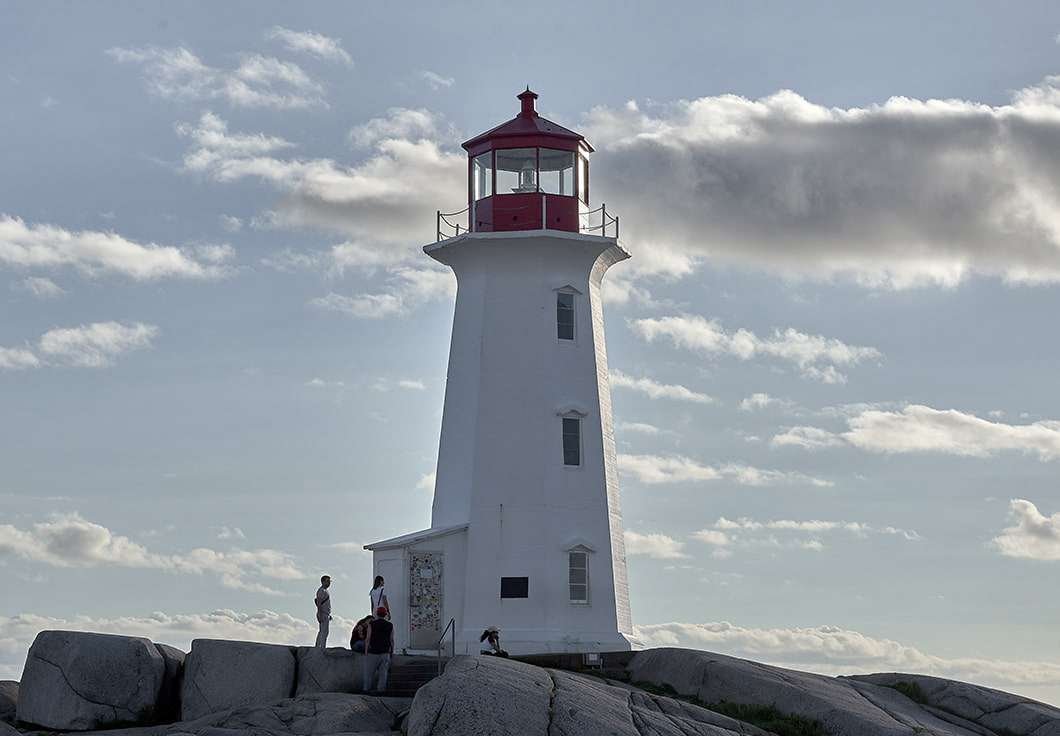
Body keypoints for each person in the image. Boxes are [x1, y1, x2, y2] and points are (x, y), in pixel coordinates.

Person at [363, 606, 393, 693]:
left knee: (369, 673)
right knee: (383, 674)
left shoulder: (372, 624)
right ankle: (381, 691)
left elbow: (368, 638)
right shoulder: (390, 625)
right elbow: (391, 640)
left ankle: (366, 690)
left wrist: (366, 651)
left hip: (373, 652)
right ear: (385, 615)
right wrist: (391, 651)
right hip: (385, 652)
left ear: (377, 614)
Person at [314, 575, 332, 648]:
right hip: (323, 613)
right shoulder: (321, 591)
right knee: (324, 632)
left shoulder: (325, 591)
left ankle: (318, 646)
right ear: (322, 582)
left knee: (322, 631)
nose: (329, 583)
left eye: (329, 581)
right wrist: (320, 613)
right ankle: (321, 647)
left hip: (325, 613)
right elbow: (319, 603)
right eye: (327, 581)